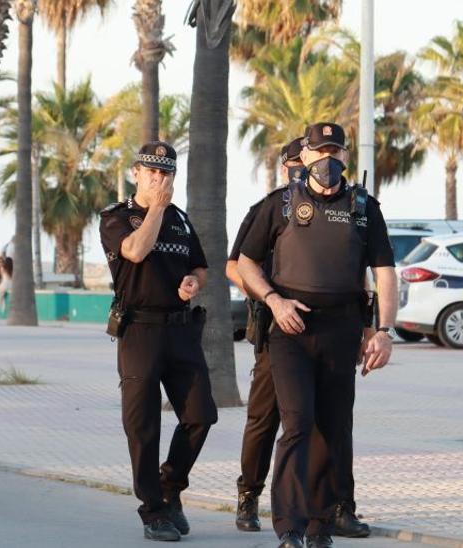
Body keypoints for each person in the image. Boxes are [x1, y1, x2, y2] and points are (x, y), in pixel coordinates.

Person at [236, 123, 397, 548]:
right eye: (320, 150)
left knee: (333, 427)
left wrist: (382, 330)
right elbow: (245, 263)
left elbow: (384, 273)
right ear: (303, 156)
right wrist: (273, 301)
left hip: (341, 330)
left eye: (335, 151)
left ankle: (320, 525)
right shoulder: (280, 204)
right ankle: (289, 526)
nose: (328, 159)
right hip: (290, 328)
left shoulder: (365, 208)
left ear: (345, 158)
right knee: (297, 424)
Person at [99, 141, 218, 542]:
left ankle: (170, 488)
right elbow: (135, 251)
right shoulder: (118, 218)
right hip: (139, 332)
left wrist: (193, 282)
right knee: (143, 427)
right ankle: (153, 512)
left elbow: (200, 267)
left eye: (166, 172)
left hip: (181, 330)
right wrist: (156, 209)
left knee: (201, 414)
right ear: (136, 173)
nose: (159, 178)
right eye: (151, 171)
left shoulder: (181, 220)